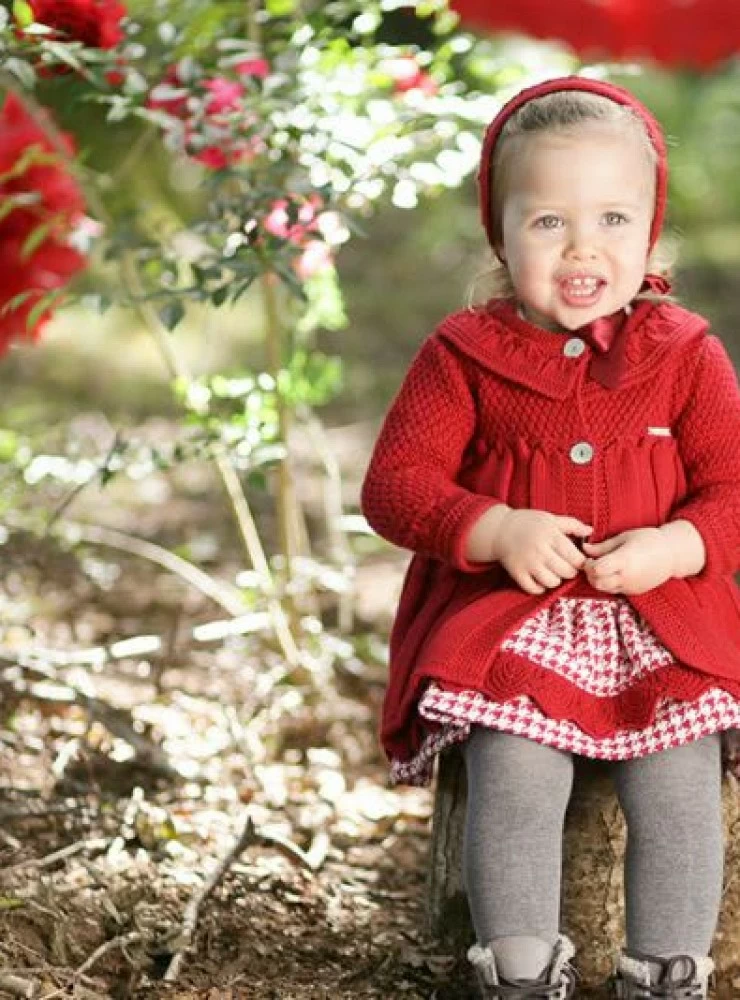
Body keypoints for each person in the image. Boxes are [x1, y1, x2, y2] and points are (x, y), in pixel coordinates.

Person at [360, 75, 740, 1000]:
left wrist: (677, 546)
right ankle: (521, 973)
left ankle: (667, 974)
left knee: (679, 785)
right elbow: (396, 486)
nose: (583, 249)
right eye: (547, 224)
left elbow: (733, 488)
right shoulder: (462, 352)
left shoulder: (683, 352)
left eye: (613, 219)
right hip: (512, 626)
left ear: (648, 229)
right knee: (516, 775)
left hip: (660, 623)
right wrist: (490, 526)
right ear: (500, 230)